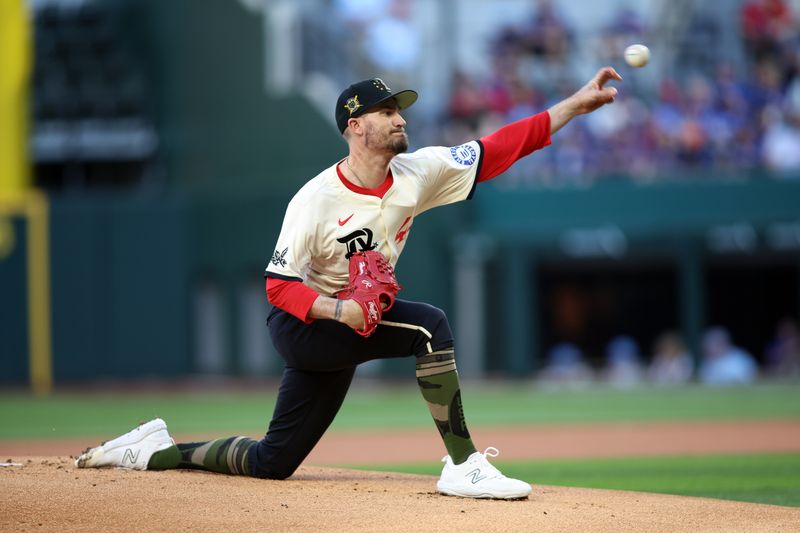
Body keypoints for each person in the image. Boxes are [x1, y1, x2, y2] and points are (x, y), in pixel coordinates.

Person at [76, 68, 622, 499]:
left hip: (347, 328)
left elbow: (501, 146)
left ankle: (154, 450)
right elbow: (277, 287)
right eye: (387, 111)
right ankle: (464, 466)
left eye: (400, 109)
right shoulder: (315, 201)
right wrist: (341, 313)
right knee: (428, 327)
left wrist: (575, 104)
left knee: (274, 462)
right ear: (355, 126)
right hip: (306, 325)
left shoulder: (419, 172)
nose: (399, 118)